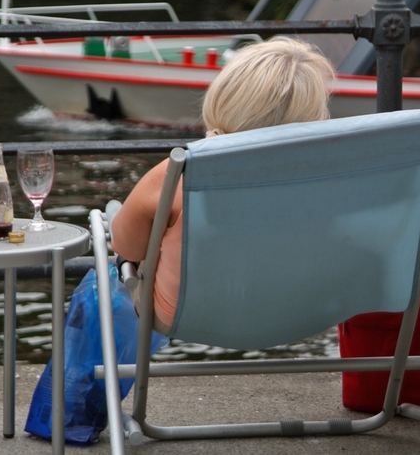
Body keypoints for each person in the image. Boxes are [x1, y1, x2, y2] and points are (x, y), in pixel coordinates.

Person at [110, 37, 336, 334]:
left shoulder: (178, 175)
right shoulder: (335, 179)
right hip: (310, 313)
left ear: (225, 96)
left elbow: (127, 246)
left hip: (185, 317)